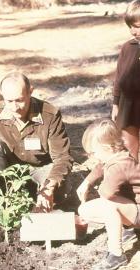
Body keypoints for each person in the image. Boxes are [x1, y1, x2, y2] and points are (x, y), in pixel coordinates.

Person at [0, 71, 73, 227]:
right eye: (9, 101)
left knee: (61, 190)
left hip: (41, 171)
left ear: (30, 92)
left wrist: (48, 188)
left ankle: (40, 196)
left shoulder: (49, 115)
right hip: (11, 174)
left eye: (19, 100)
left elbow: (63, 158)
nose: (15, 107)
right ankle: (8, 194)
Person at [77, 119, 140, 270]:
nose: (91, 157)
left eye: (92, 153)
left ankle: (116, 255)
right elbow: (101, 166)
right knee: (96, 207)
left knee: (106, 205)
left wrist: (98, 186)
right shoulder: (119, 155)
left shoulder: (118, 166)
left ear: (108, 147)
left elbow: (107, 192)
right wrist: (87, 182)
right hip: (134, 207)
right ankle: (129, 228)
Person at [111, 0, 140, 161]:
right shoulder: (127, 47)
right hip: (127, 104)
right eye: (130, 26)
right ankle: (132, 173)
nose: (133, 31)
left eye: (137, 26)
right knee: (129, 143)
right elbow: (119, 77)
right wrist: (115, 104)